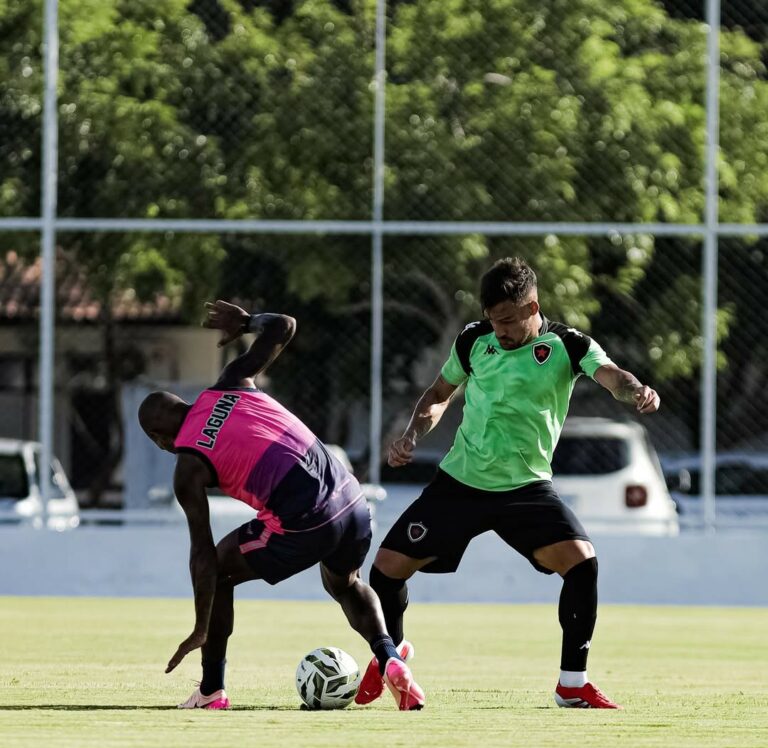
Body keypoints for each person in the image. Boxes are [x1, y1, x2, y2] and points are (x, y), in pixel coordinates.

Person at [355, 257, 661, 710]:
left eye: (507, 321)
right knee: (385, 568)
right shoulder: (473, 339)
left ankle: (572, 683)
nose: (499, 330)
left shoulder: (568, 345)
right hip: (461, 482)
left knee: (582, 564)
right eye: (492, 320)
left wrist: (636, 390)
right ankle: (393, 657)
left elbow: (612, 376)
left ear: (532, 307)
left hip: (526, 489)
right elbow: (439, 394)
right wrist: (412, 435)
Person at [138, 300, 424, 711]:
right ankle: (390, 656)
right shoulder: (229, 383)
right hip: (352, 499)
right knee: (345, 583)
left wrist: (201, 625)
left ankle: (211, 689)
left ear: (158, 438)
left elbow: (202, 554)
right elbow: (285, 325)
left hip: (306, 517)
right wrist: (248, 322)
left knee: (220, 571)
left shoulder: (188, 464)